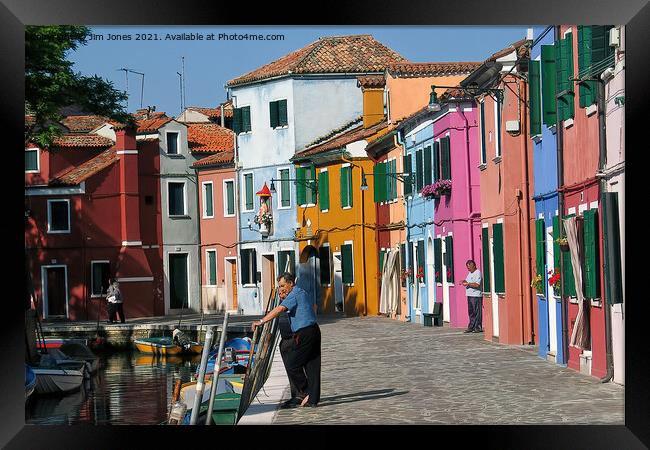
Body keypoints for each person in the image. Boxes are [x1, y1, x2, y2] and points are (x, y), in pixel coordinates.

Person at [252, 272, 320, 407]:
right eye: (279, 286)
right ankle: (313, 400)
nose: (281, 288)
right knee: (312, 366)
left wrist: (261, 321)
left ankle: (306, 392)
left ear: (290, 283)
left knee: (293, 364)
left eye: (283, 285)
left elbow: (279, 309)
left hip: (304, 333)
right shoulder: (301, 292)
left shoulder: (294, 294)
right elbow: (314, 307)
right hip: (314, 330)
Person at [461, 260, 483, 333]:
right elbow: (467, 282)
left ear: (473, 265)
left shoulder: (478, 273)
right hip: (469, 295)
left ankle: (478, 327)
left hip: (476, 295)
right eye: (467, 267)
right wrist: (463, 281)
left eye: (469, 267)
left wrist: (467, 284)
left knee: (477, 312)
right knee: (471, 312)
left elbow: (477, 284)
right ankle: (471, 326)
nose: (468, 269)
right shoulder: (470, 273)